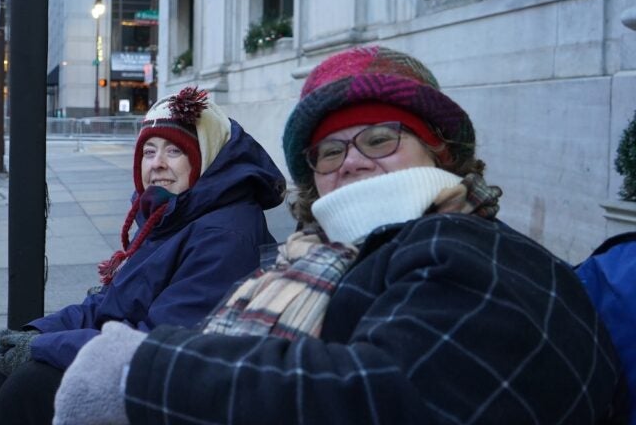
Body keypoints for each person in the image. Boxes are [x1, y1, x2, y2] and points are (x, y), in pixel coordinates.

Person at [53, 46, 629, 424]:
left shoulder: (464, 247)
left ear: (440, 150)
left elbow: (384, 397)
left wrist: (138, 372)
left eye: (379, 139)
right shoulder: (330, 251)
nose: (351, 162)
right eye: (330, 150)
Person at [0, 86, 287, 425]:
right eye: (149, 152)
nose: (157, 164)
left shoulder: (224, 234)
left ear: (206, 156)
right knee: (6, 367)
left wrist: (45, 348)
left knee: (31, 383)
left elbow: (163, 344)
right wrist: (38, 332)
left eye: (174, 151)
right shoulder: (173, 211)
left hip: (174, 385)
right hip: (132, 355)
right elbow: (110, 303)